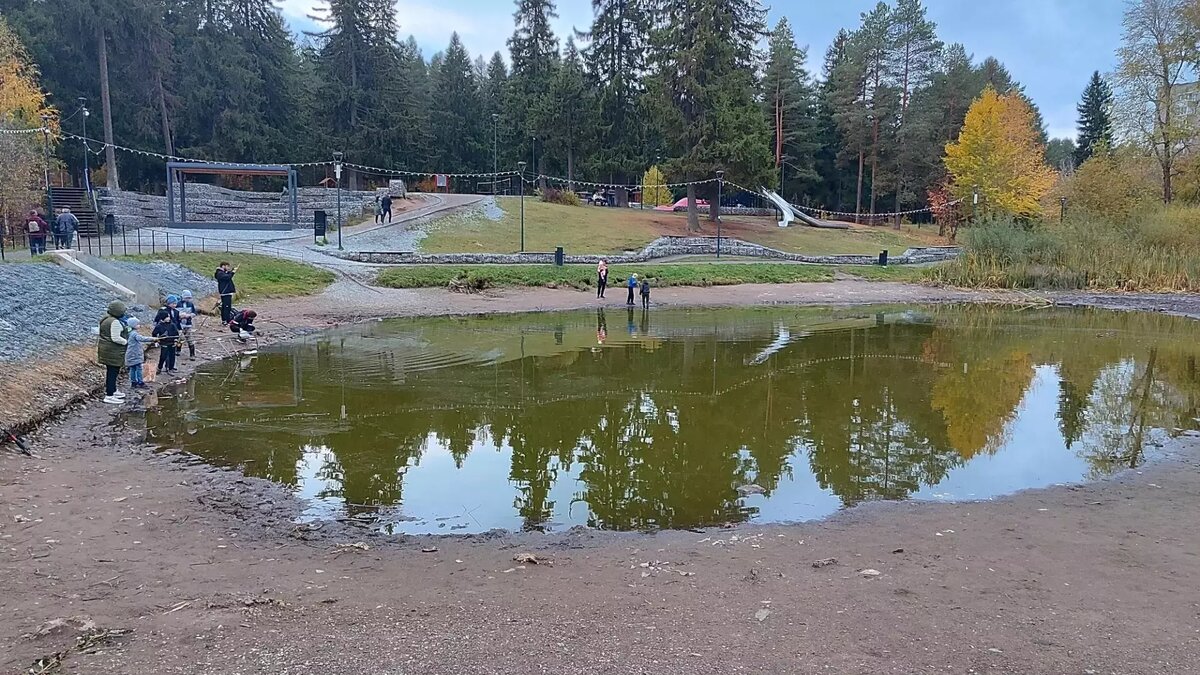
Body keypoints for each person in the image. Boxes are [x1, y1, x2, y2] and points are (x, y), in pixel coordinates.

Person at [97, 301, 129, 404]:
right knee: (112, 373)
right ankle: (109, 395)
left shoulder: (106, 319)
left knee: (113, 372)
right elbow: (115, 338)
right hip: (112, 351)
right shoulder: (114, 322)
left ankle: (114, 390)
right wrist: (125, 342)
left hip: (107, 350)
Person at [124, 317, 157, 390]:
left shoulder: (129, 333)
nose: (139, 325)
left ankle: (133, 382)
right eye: (138, 324)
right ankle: (140, 382)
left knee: (132, 368)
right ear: (133, 325)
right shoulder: (134, 334)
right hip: (135, 354)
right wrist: (153, 339)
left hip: (130, 354)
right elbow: (142, 339)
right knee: (138, 368)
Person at [153, 303, 180, 375]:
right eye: (167, 317)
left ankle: (170, 368)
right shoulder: (159, 326)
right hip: (164, 343)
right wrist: (156, 340)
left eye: (169, 317)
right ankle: (159, 367)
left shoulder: (172, 325)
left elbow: (176, 334)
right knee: (163, 356)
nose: (169, 318)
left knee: (172, 356)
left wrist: (176, 340)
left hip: (172, 343)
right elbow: (154, 334)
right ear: (162, 318)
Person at [178, 290, 198, 360]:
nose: (188, 299)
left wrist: (189, 315)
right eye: (186, 297)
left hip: (188, 324)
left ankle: (192, 354)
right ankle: (178, 350)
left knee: (190, 339)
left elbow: (194, 313)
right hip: (179, 325)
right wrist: (180, 315)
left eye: (189, 298)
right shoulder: (178, 304)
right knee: (180, 338)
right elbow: (175, 313)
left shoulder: (190, 304)